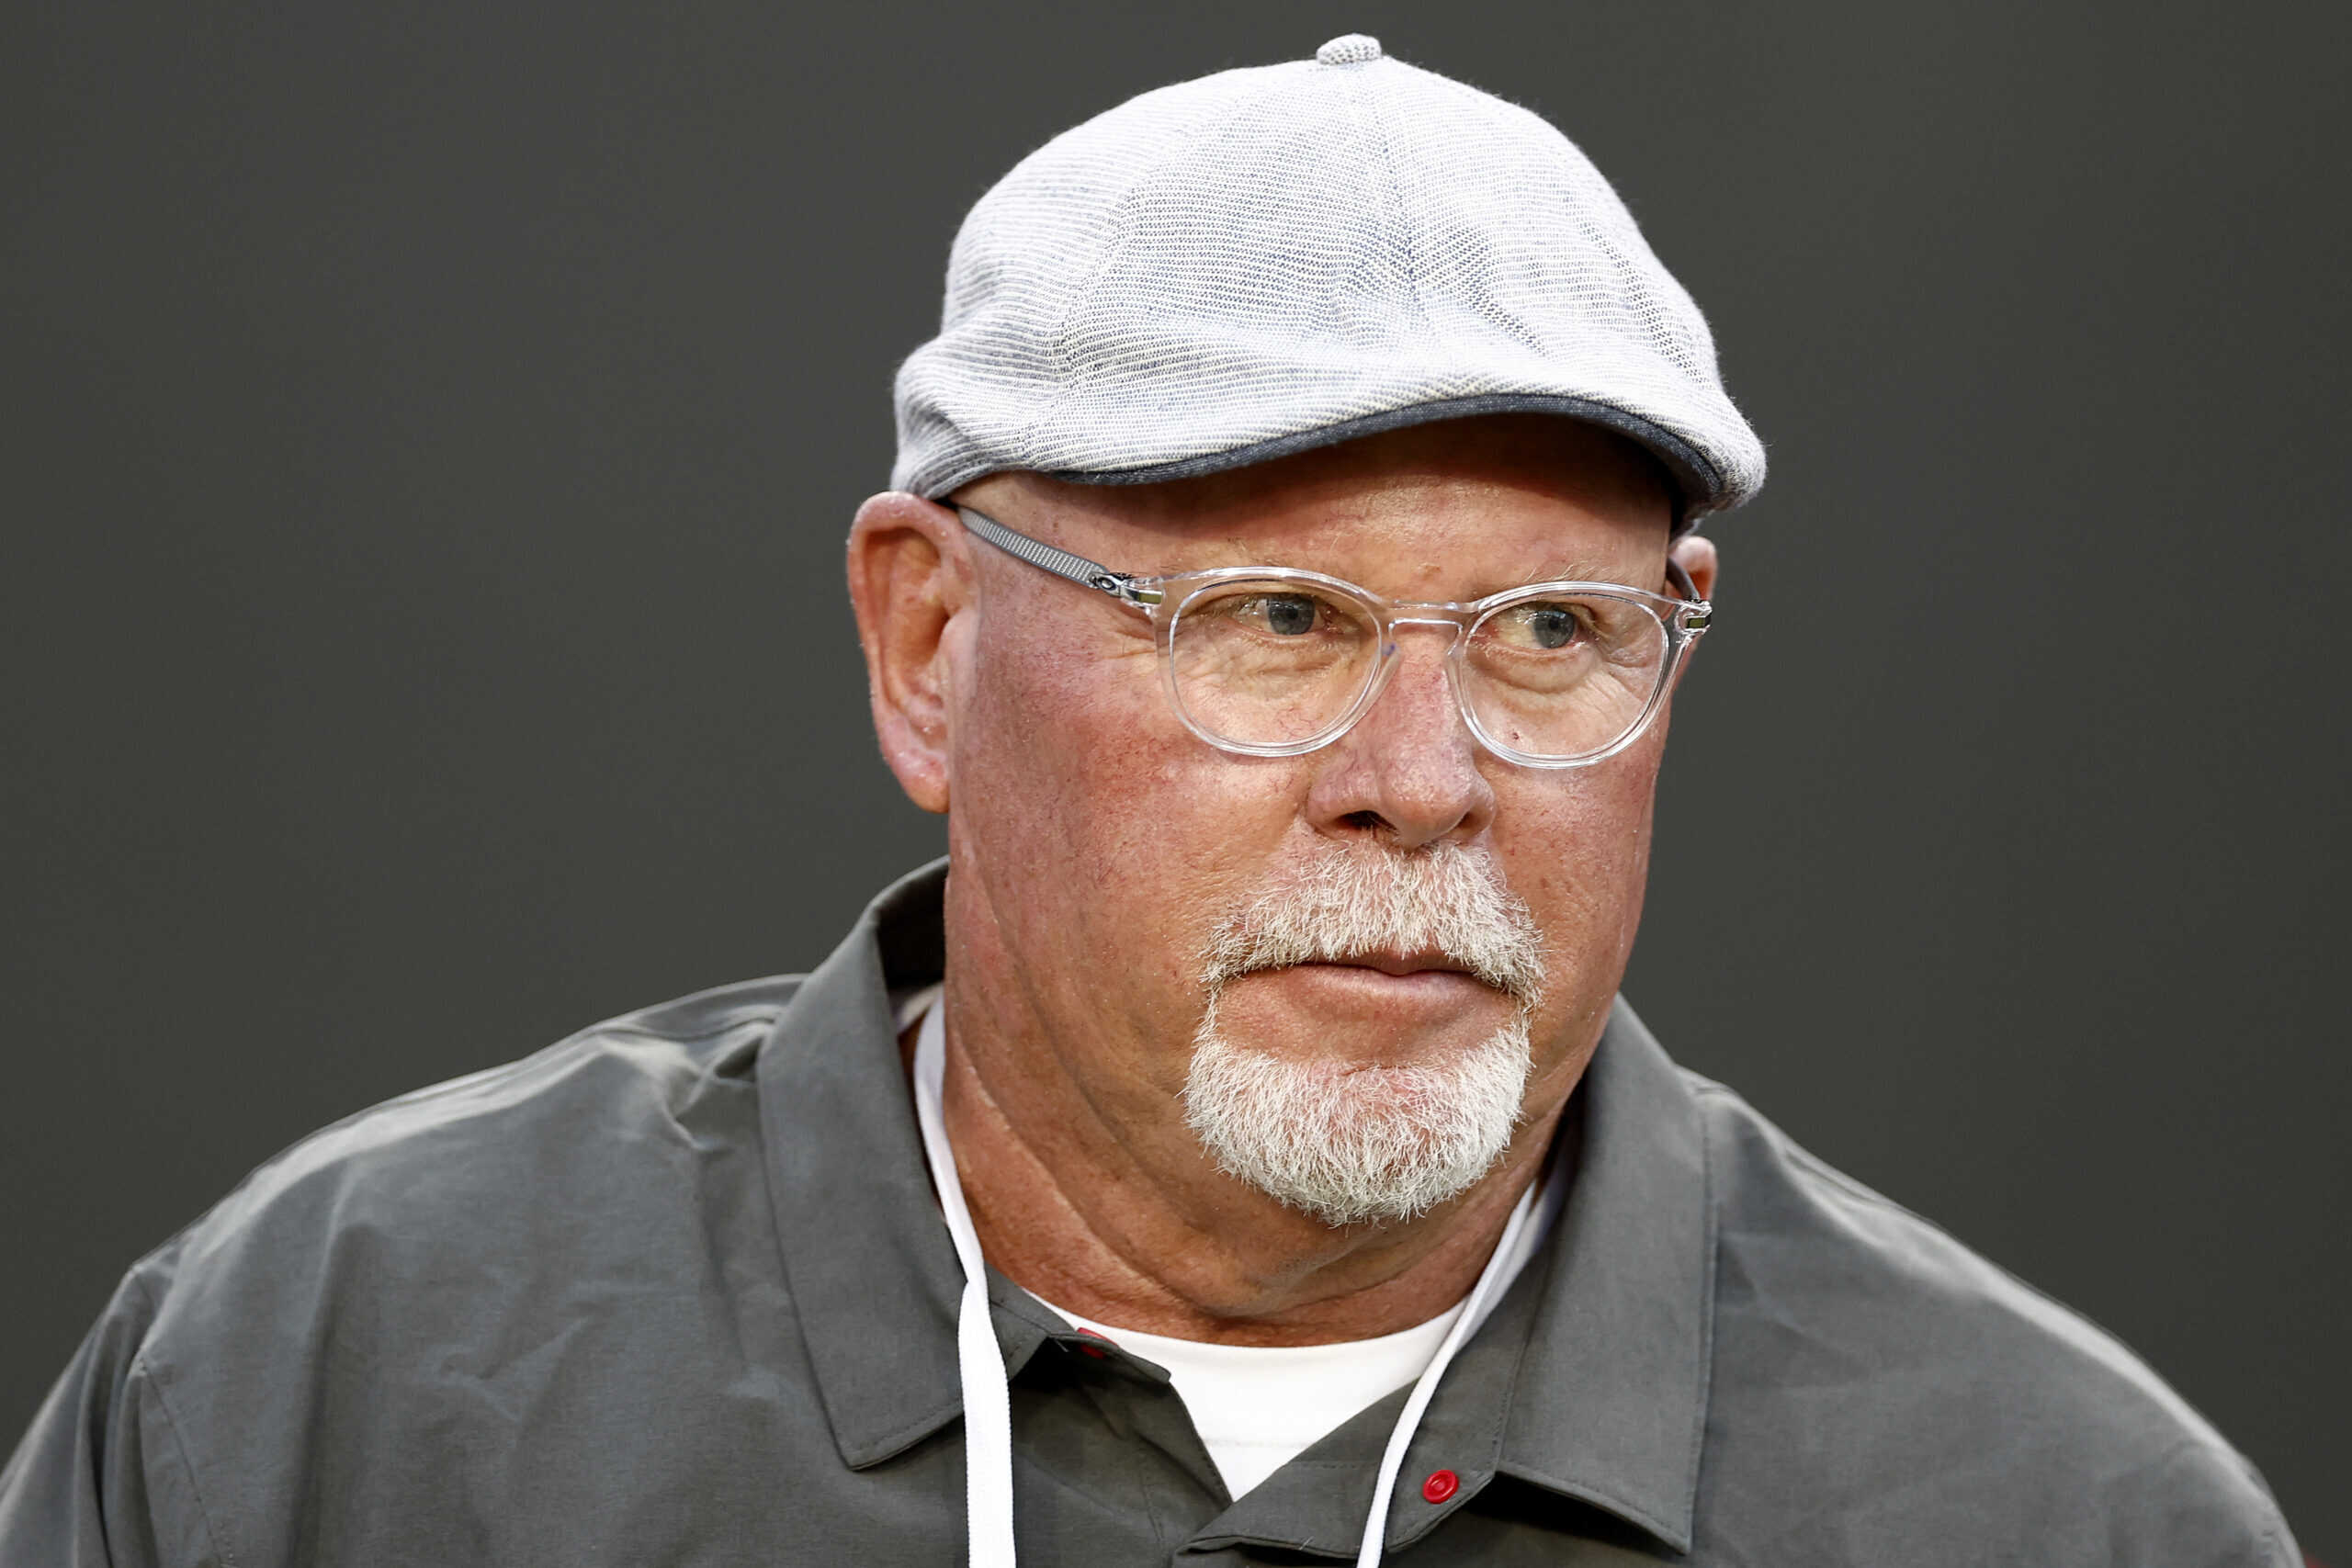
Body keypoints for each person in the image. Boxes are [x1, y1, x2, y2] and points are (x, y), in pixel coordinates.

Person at [0, 34, 2301, 1567]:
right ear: (925, 643)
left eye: (1544, 637)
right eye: (1275, 624)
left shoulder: (2048, 1509)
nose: (1421, 787)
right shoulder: (331, 1387)